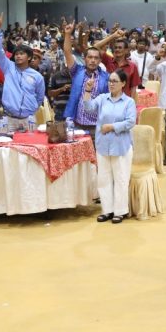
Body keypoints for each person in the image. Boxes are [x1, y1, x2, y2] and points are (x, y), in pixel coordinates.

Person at [82, 70, 137, 224]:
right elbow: (88, 107)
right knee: (103, 179)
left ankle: (120, 211)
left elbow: (130, 122)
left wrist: (112, 127)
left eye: (115, 81)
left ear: (123, 84)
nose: (111, 84)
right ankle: (107, 210)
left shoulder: (128, 102)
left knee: (120, 178)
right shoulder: (102, 99)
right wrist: (88, 90)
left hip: (121, 146)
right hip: (103, 145)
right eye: (110, 81)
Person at [0, 15, 45, 131]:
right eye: (16, 54)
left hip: (29, 119)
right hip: (9, 118)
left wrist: (32, 108)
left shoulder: (37, 76)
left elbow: (40, 97)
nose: (18, 56)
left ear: (29, 57)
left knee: (29, 147)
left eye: (21, 54)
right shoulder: (8, 67)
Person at [63, 21, 110, 136]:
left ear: (100, 61)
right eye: (90, 57)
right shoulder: (77, 71)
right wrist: (68, 34)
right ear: (85, 59)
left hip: (96, 125)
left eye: (96, 58)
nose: (93, 60)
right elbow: (67, 52)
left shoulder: (106, 77)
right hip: (77, 123)